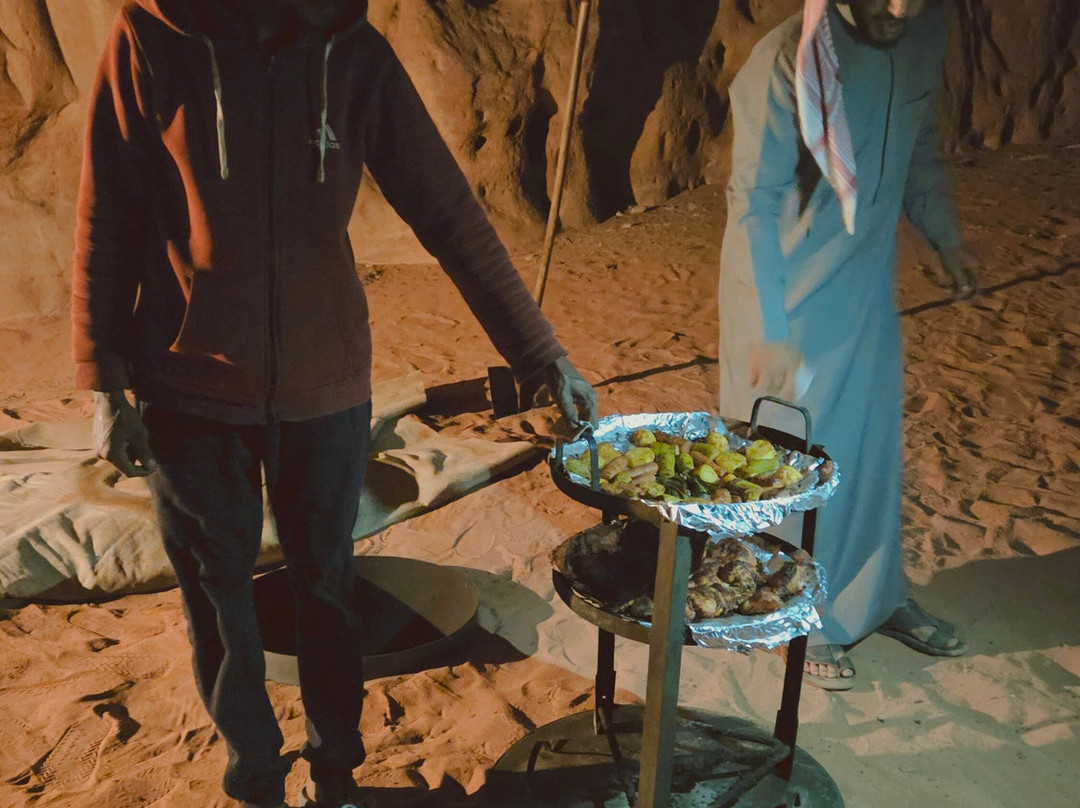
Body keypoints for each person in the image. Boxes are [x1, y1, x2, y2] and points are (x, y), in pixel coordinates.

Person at [72, 1, 598, 806]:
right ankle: (254, 779)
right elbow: (105, 216)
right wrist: (104, 383)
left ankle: (335, 774)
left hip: (328, 386)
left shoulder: (352, 52)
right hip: (188, 386)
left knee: (326, 586)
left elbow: (447, 211)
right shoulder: (150, 40)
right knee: (218, 596)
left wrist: (540, 353)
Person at [717, 0, 975, 690]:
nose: (899, 7)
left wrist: (946, 239)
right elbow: (753, 202)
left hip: (864, 290)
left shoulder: (924, 32)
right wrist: (768, 327)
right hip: (785, 300)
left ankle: (872, 597)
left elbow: (920, 146)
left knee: (869, 452)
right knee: (787, 470)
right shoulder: (784, 60)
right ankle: (790, 614)